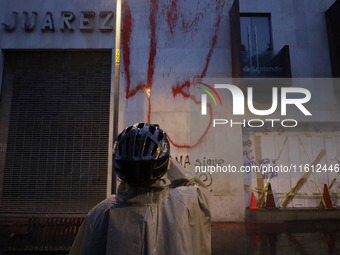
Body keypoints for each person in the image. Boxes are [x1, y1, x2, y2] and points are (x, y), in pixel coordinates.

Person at [69, 123, 211, 255]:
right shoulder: (186, 201)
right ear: (164, 163)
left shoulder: (101, 213)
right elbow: (191, 181)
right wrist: (166, 159)